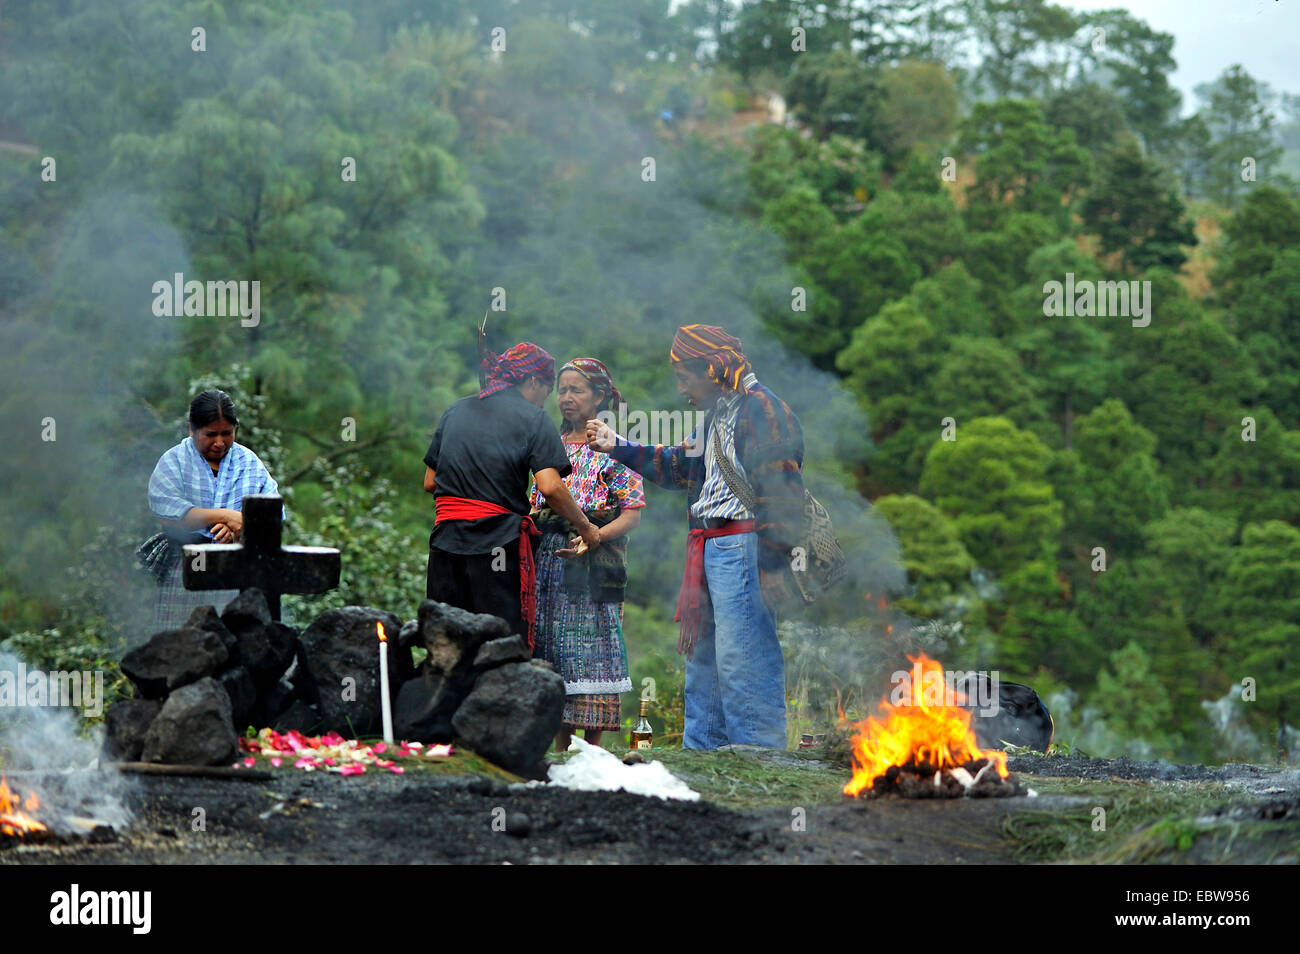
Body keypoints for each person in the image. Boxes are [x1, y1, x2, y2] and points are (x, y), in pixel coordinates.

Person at [586, 325, 805, 749]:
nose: (681, 388)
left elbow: (782, 490)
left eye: (685, 377)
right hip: (710, 546)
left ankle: (756, 757)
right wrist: (617, 445)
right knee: (703, 662)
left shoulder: (762, 409)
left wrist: (775, 564)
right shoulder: (718, 413)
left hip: (743, 548)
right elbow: (677, 467)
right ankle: (704, 757)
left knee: (743, 659)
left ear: (711, 368)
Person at [423, 342, 601, 648]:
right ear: (532, 381)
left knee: (446, 645)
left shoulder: (456, 410)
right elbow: (549, 486)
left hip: (446, 546)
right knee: (500, 648)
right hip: (496, 549)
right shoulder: (533, 419)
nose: (547, 399)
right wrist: (586, 527)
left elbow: (430, 482)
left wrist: (472, 486)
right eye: (547, 389)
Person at [530, 358, 643, 751]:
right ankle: (562, 749)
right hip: (551, 561)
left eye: (577, 389)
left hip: (596, 564)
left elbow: (632, 512)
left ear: (599, 396)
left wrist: (594, 535)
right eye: (562, 389)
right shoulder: (548, 444)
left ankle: (592, 750)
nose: (566, 398)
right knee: (554, 648)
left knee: (595, 649)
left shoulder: (614, 447)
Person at [141, 389, 281, 629]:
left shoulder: (248, 463)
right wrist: (227, 516)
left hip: (236, 567)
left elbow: (271, 515)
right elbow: (169, 514)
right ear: (192, 429)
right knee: (180, 642)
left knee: (233, 640)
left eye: (227, 433)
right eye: (210, 435)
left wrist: (239, 529)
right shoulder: (174, 461)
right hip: (185, 564)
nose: (219, 442)